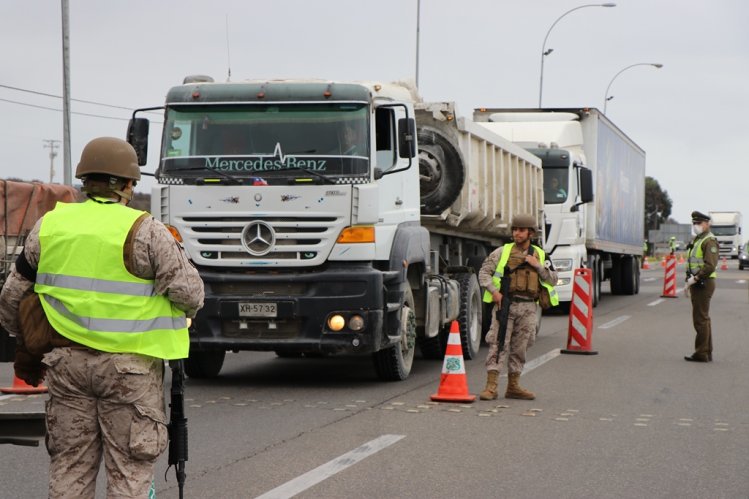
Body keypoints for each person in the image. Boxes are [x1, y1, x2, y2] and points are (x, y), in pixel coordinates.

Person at [0, 137, 205, 498]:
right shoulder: (146, 230)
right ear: (128, 185)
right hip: (129, 371)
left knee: (70, 468)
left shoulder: (50, 226)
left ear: (84, 180)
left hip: (66, 366)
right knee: (129, 472)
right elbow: (191, 295)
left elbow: (10, 300)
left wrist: (29, 341)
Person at [477, 214, 559, 400]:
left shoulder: (541, 255)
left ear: (530, 232)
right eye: (514, 229)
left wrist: (538, 266)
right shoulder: (502, 252)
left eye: (521, 230)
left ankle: (513, 386)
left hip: (529, 308)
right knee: (498, 344)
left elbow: (553, 280)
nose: (517, 233)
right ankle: (491, 387)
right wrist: (494, 292)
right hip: (505, 305)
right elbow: (484, 273)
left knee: (520, 347)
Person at [683, 210, 718, 362]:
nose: (696, 226)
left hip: (703, 283)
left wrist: (695, 278)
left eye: (698, 223)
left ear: (707, 224)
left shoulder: (709, 241)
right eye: (694, 223)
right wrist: (689, 279)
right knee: (704, 318)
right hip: (698, 282)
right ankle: (706, 351)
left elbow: (710, 266)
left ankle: (701, 353)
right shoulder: (699, 239)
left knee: (700, 319)